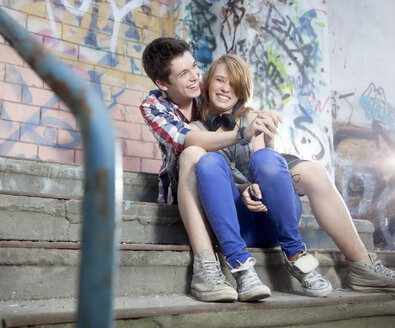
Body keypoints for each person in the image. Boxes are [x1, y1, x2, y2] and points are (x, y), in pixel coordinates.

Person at [139, 38, 395, 302]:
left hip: (247, 179)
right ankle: (208, 267)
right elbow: (194, 142)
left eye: (195, 67)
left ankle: (361, 265)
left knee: (306, 170)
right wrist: (243, 137)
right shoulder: (156, 106)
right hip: (196, 180)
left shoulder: (221, 96)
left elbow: (259, 155)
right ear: (163, 83)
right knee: (197, 156)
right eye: (185, 74)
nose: (196, 78)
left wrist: (262, 139)